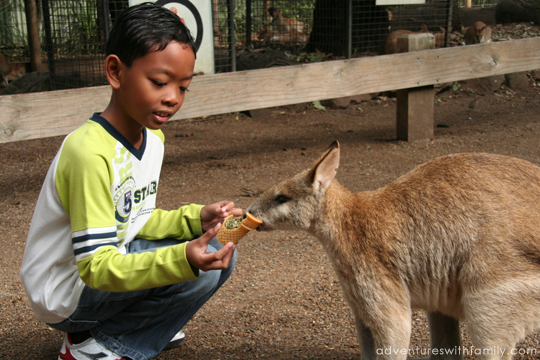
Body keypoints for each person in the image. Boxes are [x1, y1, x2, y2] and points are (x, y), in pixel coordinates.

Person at [19, 3, 241, 360]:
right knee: (196, 266)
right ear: (115, 71)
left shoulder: (153, 140)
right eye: (159, 82)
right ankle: (98, 344)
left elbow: (135, 219)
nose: (172, 98)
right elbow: (95, 266)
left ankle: (123, 328)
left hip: (102, 269)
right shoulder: (88, 152)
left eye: (183, 87)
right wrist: (182, 257)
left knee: (219, 252)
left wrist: (194, 218)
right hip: (66, 290)